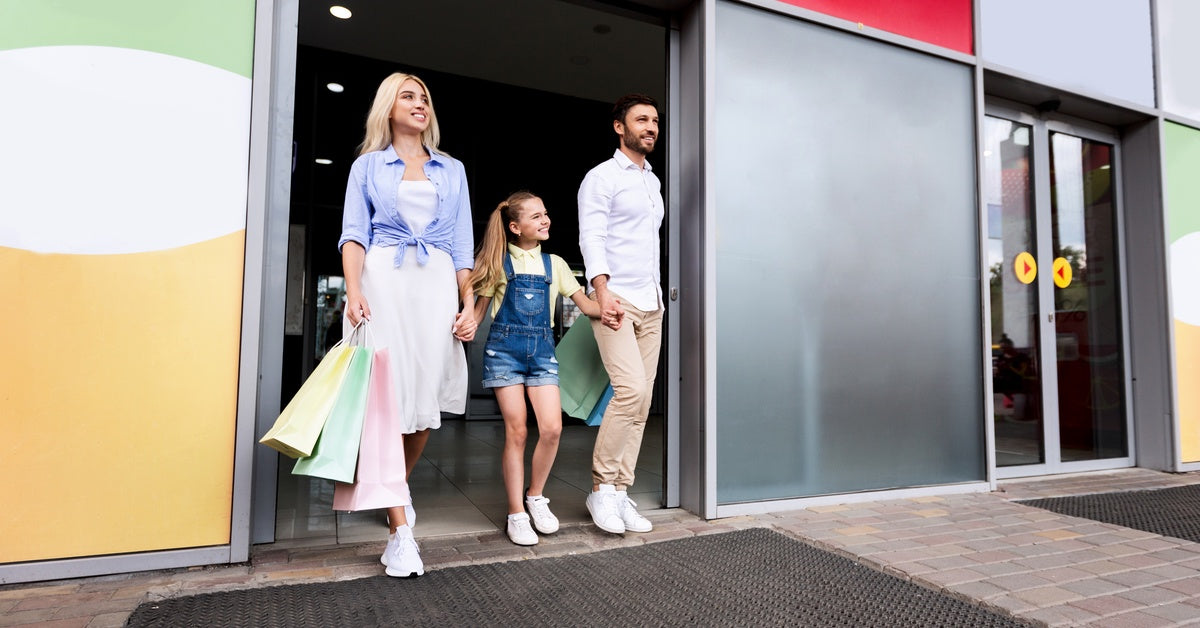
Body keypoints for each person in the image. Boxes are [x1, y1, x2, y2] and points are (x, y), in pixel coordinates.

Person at [338, 72, 476, 577]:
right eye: (408, 96)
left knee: (422, 408)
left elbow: (463, 242)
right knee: (385, 400)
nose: (420, 104)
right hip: (383, 282)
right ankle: (400, 532)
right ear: (388, 108)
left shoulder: (452, 169)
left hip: (436, 283)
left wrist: (469, 303)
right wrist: (353, 291)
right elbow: (353, 233)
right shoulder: (367, 167)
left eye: (424, 98)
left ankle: (390, 484)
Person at [469, 191, 602, 545]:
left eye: (546, 214)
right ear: (515, 227)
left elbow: (587, 307)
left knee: (552, 429)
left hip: (543, 355)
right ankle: (516, 513)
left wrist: (614, 308)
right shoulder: (499, 264)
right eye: (536, 217)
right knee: (517, 432)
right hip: (504, 355)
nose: (545, 220)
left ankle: (535, 496)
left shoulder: (555, 264)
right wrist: (464, 323)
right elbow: (478, 313)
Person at [577, 94, 665, 535]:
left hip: (652, 303)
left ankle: (620, 490)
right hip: (616, 300)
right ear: (619, 127)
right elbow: (591, 235)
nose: (650, 127)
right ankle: (601, 488)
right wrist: (602, 290)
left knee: (643, 402)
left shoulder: (653, 182)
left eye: (654, 121)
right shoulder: (602, 177)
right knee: (629, 391)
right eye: (641, 120)